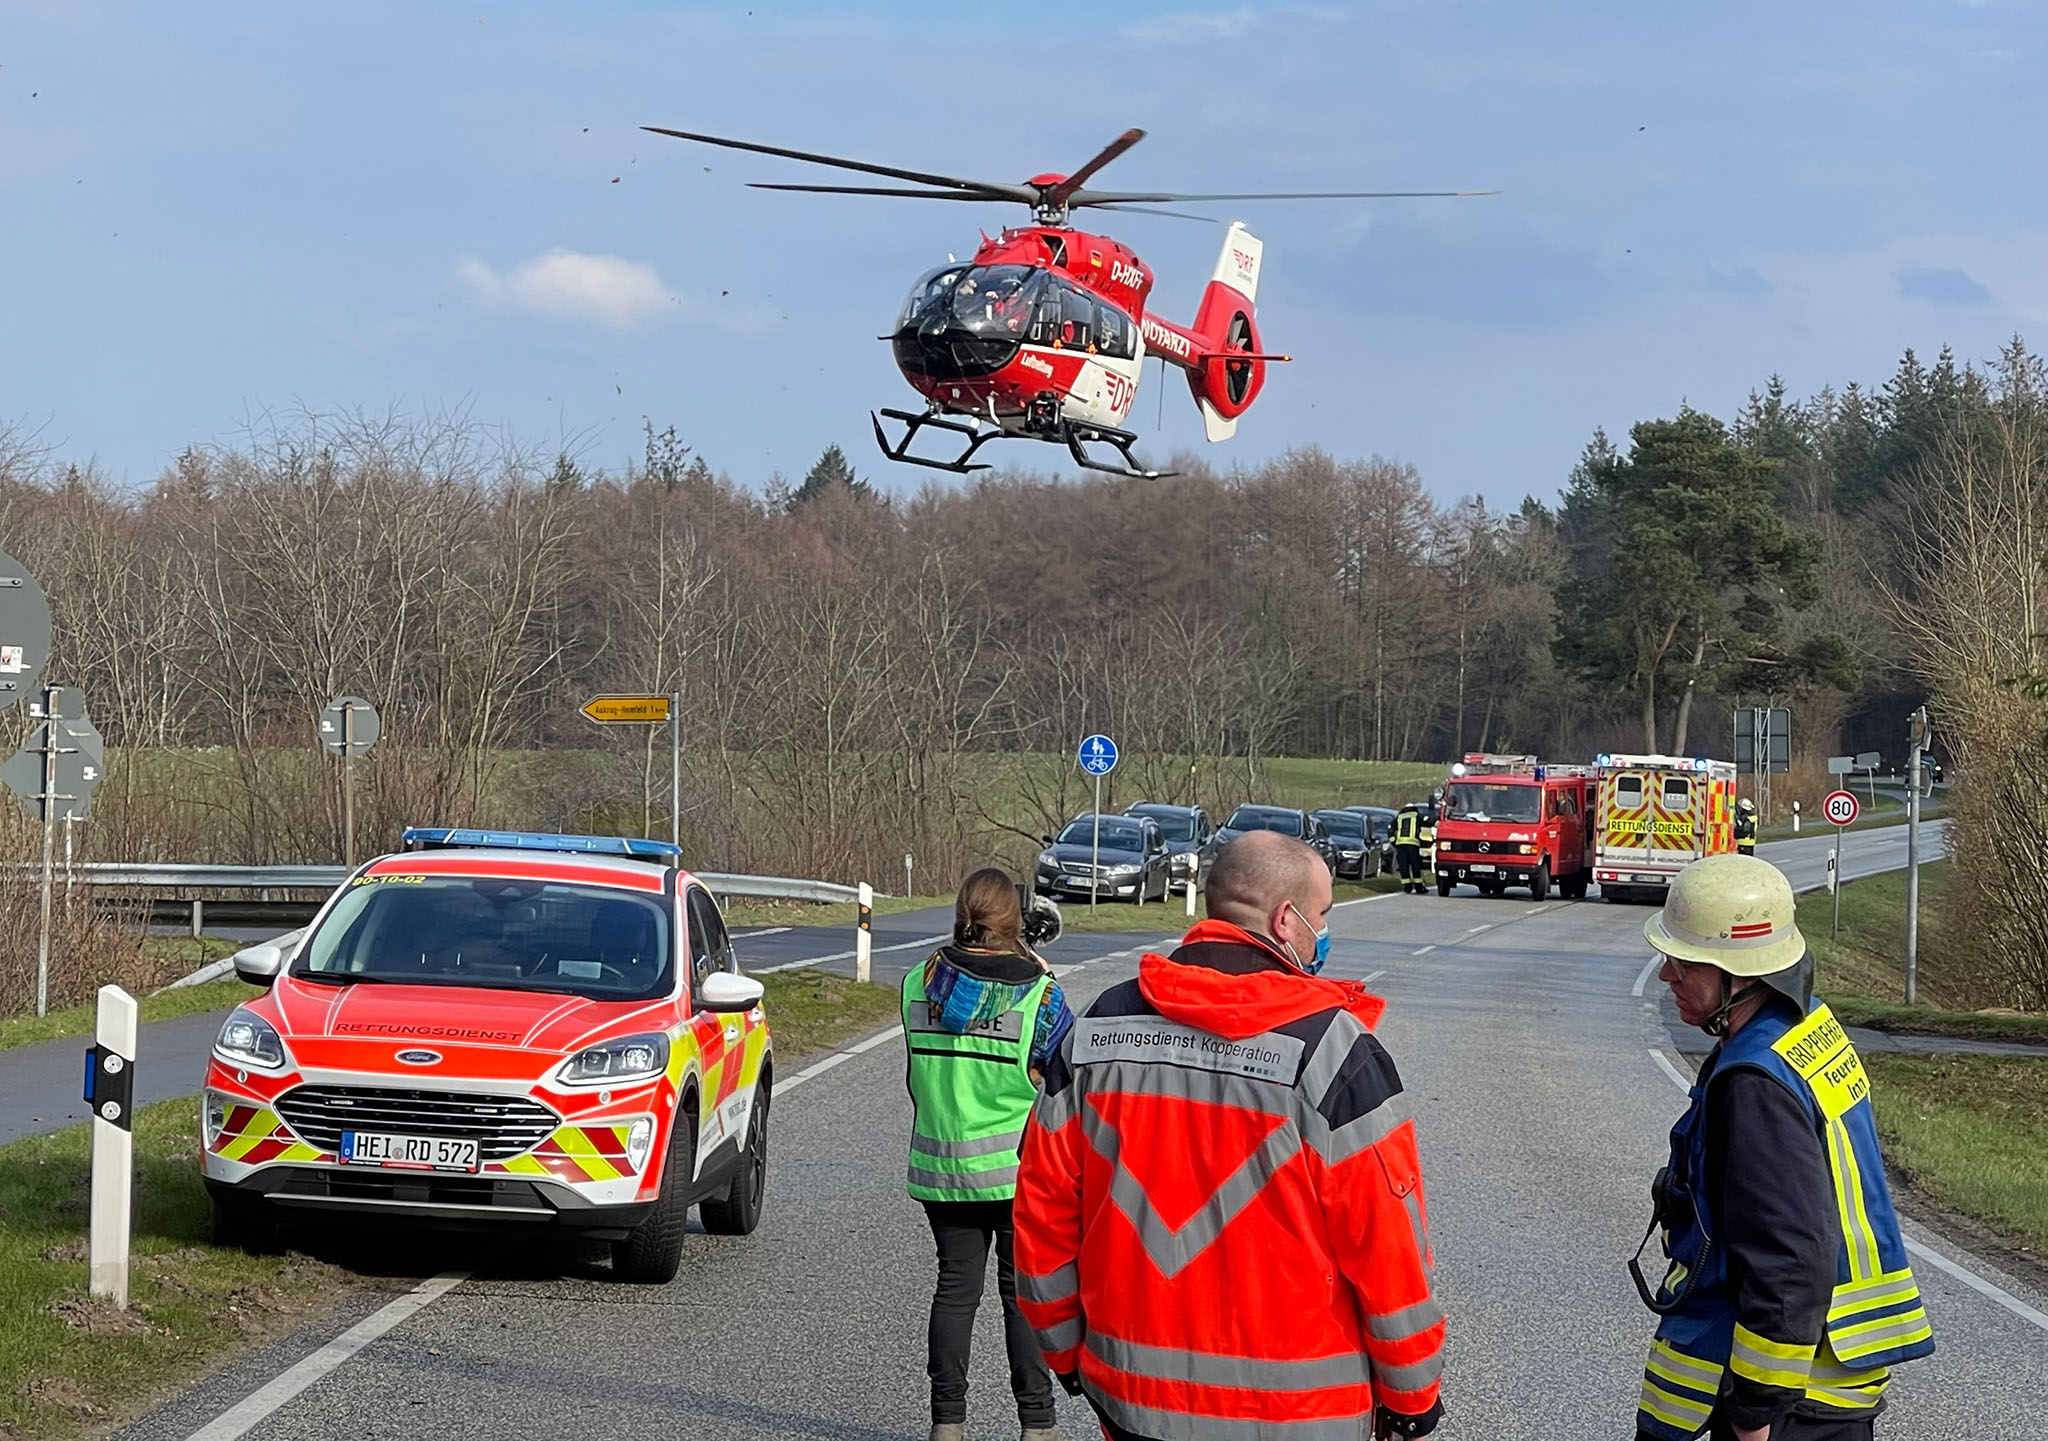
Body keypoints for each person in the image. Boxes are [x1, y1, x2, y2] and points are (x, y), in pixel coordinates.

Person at [1014, 831, 1445, 1441]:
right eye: (1322, 915)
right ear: (1286, 919)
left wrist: (1065, 1351)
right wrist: (1413, 1395)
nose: (1323, 931)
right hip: (1302, 1414)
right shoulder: (1335, 1054)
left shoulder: (1096, 1031)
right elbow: (1388, 1247)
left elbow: (1042, 1212)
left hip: (1132, 1398)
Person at [1633, 854, 1934, 1441]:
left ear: (1740, 976)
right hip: (1825, 1382)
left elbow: (1789, 1256)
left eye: (1685, 962)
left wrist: (1754, 1414)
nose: (1666, 974)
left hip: (1782, 1401)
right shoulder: (1803, 1029)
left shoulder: (1755, 1083)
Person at [903, 868, 1075, 1441]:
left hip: (939, 1168)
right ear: (1013, 923)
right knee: (1018, 1297)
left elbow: (914, 1079)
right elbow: (1062, 1078)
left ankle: (946, 1423)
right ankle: (1037, 1425)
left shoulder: (916, 984)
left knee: (954, 1290)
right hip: (1014, 1175)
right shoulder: (1039, 996)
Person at [1393, 802, 1427, 894]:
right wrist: (1438, 822)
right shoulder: (1416, 815)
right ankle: (1419, 887)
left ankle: (1407, 887)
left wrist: (1394, 842)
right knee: (1415, 866)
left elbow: (1391, 830)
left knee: (1404, 866)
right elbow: (1427, 820)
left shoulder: (1399, 817)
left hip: (1400, 845)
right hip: (1412, 845)